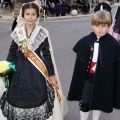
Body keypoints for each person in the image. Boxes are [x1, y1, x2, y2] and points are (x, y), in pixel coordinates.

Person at [0, 2, 68, 119]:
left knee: (38, 94)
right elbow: (12, 52)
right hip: (19, 68)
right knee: (17, 94)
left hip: (37, 69)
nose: (30, 17)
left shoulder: (42, 32)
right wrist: (6, 69)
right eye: (27, 14)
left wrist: (51, 74)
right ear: (23, 15)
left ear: (37, 15)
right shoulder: (18, 31)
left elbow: (47, 54)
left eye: (33, 14)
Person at [67, 10, 120, 120]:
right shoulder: (85, 41)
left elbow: (116, 69)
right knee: (85, 102)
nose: (100, 29)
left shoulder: (114, 44)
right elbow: (79, 66)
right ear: (92, 25)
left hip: (104, 79)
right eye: (97, 25)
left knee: (99, 102)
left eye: (104, 26)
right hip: (88, 78)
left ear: (109, 26)